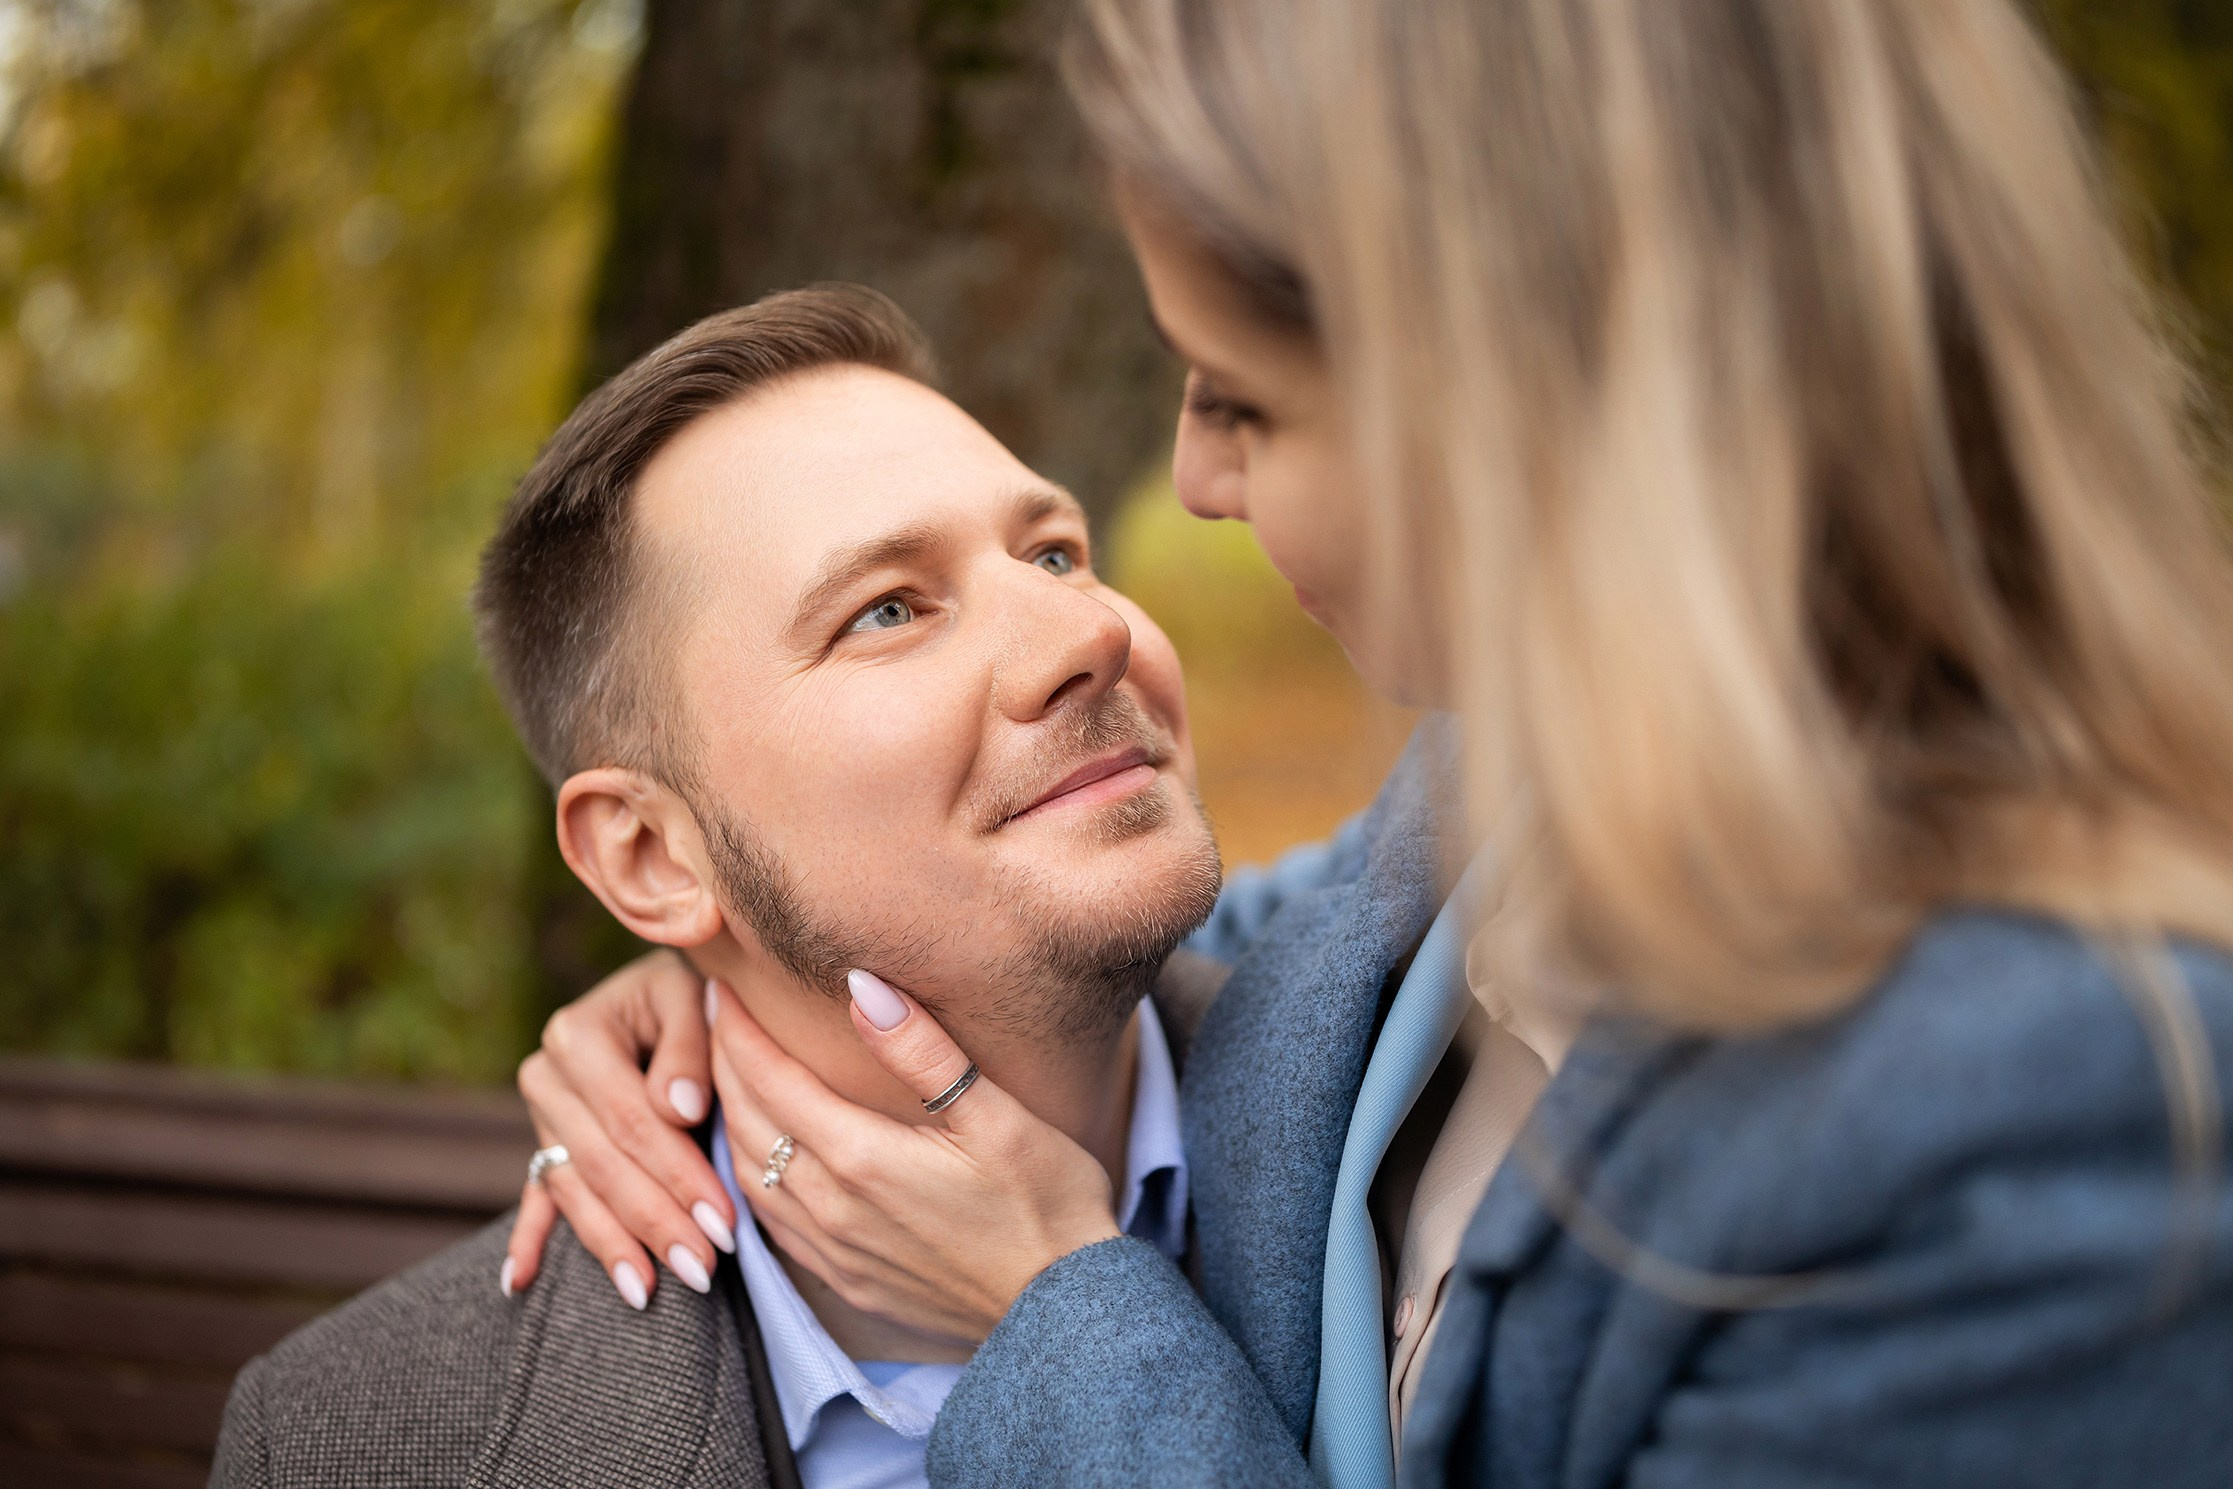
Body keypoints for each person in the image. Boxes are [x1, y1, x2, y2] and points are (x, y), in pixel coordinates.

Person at [515, 2, 2233, 1486]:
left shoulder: (2037, 1117)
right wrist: (726, 967)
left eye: (1240, 394)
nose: (1184, 490)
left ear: (1519, 406)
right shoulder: (1509, 807)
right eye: (889, 607)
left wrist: (1054, 1306)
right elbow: (1259, 951)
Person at [211, 284, 1230, 1488]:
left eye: (1054, 552)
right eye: (888, 609)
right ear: (651, 858)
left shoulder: (1444, 1115)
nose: (1086, 632)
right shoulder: (356, 1442)